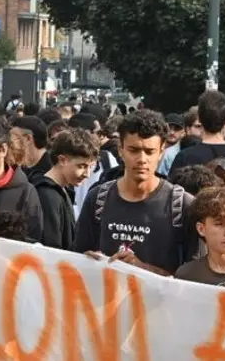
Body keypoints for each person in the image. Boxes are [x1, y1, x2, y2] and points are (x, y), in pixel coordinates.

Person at [74, 110, 199, 276]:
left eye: (149, 151)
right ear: (120, 149)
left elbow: (194, 281)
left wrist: (141, 270)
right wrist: (89, 262)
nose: (142, 159)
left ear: (161, 151)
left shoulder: (182, 205)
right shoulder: (97, 198)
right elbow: (76, 261)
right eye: (134, 150)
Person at [32, 128, 98, 249]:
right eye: (81, 166)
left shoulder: (62, 190)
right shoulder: (48, 195)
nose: (87, 174)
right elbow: (52, 248)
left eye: (91, 167)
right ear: (62, 160)